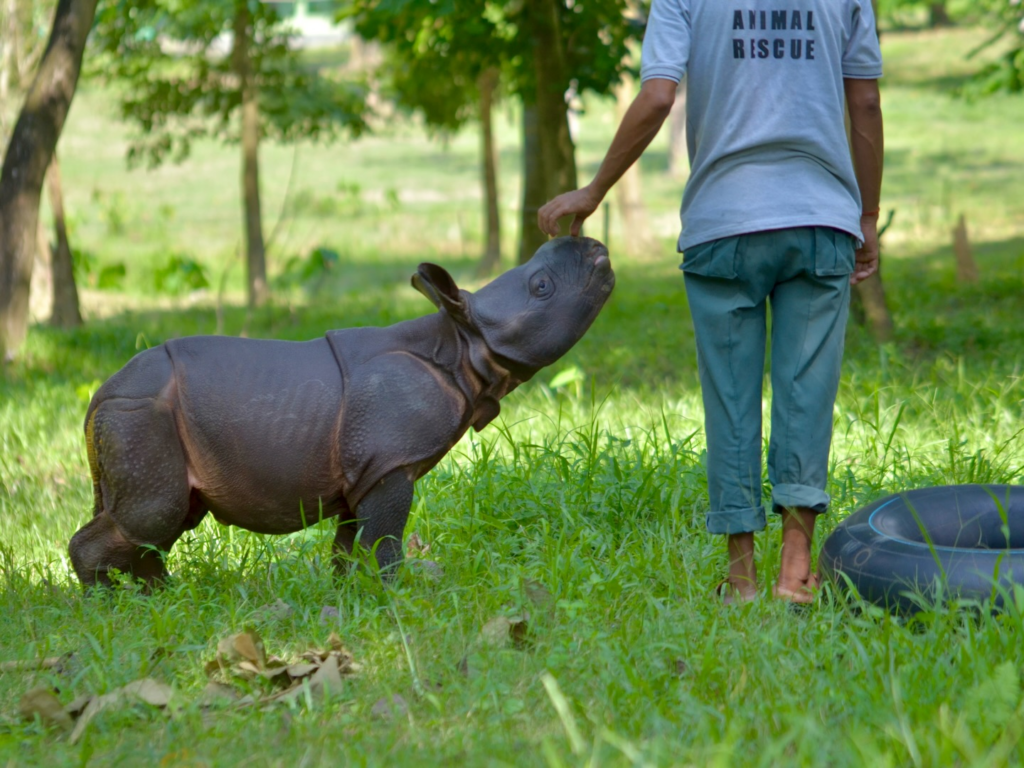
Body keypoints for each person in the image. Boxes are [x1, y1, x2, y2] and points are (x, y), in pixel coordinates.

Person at [537, 0, 884, 603]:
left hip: (725, 223)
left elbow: (656, 98)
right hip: (820, 219)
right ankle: (795, 572)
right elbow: (866, 102)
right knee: (809, 388)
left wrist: (594, 191)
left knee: (730, 395)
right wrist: (869, 215)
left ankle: (741, 576)